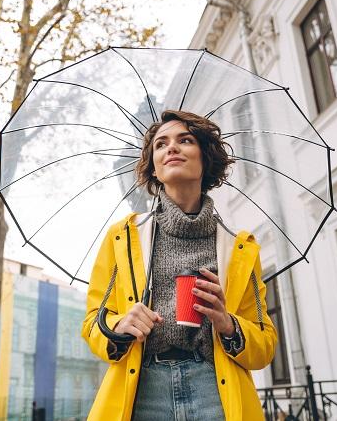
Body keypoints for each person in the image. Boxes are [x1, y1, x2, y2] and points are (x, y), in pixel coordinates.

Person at [81, 110, 278, 420]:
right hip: (143, 388)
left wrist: (228, 324)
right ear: (154, 169)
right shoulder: (122, 237)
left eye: (184, 140)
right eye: (161, 144)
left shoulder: (240, 248)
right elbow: (93, 323)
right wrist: (119, 326)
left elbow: (265, 345)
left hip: (214, 387)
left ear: (205, 158)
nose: (171, 148)